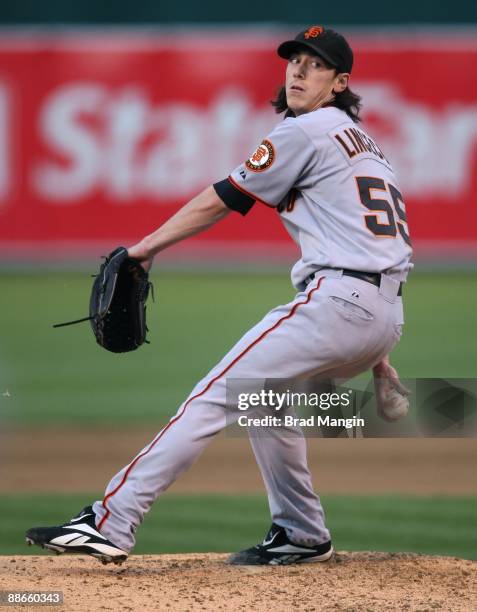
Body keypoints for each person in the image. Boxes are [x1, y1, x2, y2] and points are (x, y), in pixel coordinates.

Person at [26, 25, 412, 566]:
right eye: (294, 60)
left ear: (340, 81)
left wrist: (144, 248)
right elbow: (376, 241)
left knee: (215, 395)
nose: (299, 71)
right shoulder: (366, 145)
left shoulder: (303, 132)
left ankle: (111, 522)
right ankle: (302, 533)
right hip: (381, 309)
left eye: (315, 65)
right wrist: (379, 350)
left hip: (341, 301)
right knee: (266, 399)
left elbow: (223, 198)